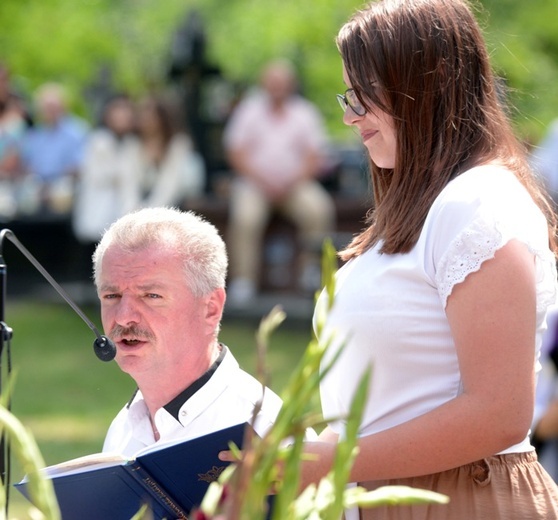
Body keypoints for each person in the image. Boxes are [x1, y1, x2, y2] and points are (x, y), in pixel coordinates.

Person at [293, 0, 558, 518]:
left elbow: (500, 412)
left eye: (362, 95)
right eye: (347, 95)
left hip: (459, 496)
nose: (349, 116)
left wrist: (327, 461)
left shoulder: (477, 201)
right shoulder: (432, 206)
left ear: (423, 84)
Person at [92, 207, 284, 457]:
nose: (123, 316)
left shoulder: (264, 432)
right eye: (111, 296)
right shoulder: (123, 428)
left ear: (211, 308)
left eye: (151, 296)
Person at [223, 59, 336, 304]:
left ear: (291, 85)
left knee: (319, 209)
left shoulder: (305, 113)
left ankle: (311, 273)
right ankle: (244, 281)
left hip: (294, 185)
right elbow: (235, 152)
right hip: (255, 184)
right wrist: (263, 179)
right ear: (264, 83)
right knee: (245, 217)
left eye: (282, 83)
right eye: (273, 82)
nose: (277, 88)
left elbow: (314, 155)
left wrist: (291, 180)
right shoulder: (249, 110)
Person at [72, 93, 142, 245]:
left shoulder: (133, 144)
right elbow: (99, 176)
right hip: (98, 219)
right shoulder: (98, 141)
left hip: (126, 221)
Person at [20, 82, 88, 214]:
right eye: (46, 108)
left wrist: (52, 184)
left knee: (62, 191)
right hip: (38, 184)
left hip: (65, 185)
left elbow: (78, 166)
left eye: (53, 107)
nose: (50, 111)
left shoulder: (77, 131)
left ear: (63, 107)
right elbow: (26, 163)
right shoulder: (34, 134)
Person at [135, 95, 205, 210]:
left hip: (172, 208)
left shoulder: (178, 145)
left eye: (152, 116)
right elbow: (129, 187)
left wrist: (149, 215)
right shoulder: (133, 146)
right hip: (137, 212)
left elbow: (170, 186)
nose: (146, 119)